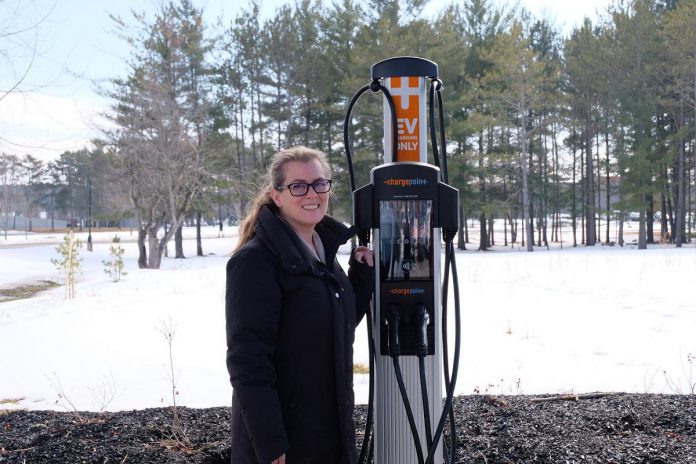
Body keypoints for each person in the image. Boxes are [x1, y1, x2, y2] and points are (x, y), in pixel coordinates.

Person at [225, 146, 374, 464]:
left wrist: (359, 277)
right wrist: (270, 442)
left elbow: (334, 325)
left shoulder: (321, 250)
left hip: (327, 430)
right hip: (285, 444)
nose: (313, 194)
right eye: (298, 186)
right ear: (277, 195)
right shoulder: (256, 261)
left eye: (320, 183)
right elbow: (248, 362)